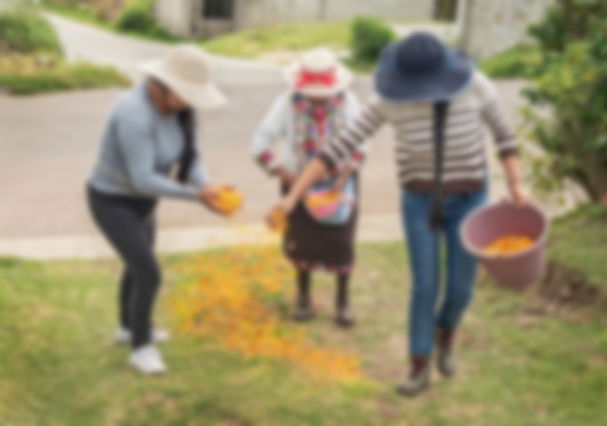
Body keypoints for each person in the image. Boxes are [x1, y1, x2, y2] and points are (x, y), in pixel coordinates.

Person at [267, 33, 531, 396]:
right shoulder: (390, 99)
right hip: (419, 200)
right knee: (424, 286)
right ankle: (418, 365)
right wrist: (293, 196)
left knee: (460, 287)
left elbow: (504, 137)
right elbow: (336, 149)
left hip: (470, 199)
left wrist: (516, 184)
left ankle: (446, 333)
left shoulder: (476, 86)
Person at [87, 45, 232, 375]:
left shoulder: (179, 108)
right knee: (148, 272)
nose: (191, 102)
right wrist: (197, 197)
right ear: (157, 86)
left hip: (143, 202)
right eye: (186, 93)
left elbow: (190, 159)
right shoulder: (132, 114)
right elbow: (142, 179)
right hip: (112, 200)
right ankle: (141, 348)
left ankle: (127, 328)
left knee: (136, 266)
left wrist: (206, 185)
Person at [253, 48, 369, 327]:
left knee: (341, 242)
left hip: (339, 183)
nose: (317, 99)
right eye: (311, 93)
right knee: (302, 241)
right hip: (297, 183)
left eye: (323, 93)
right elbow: (260, 143)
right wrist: (284, 174)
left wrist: (348, 171)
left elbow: (363, 141)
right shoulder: (287, 103)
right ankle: (303, 298)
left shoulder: (349, 102)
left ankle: (342, 302)